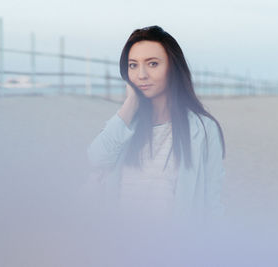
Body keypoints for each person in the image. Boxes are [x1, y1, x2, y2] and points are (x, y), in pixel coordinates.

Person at [85, 25, 226, 226]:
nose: (141, 74)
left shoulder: (203, 128)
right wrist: (129, 105)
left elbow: (212, 203)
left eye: (152, 64)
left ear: (173, 68)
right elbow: (96, 159)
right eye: (133, 65)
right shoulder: (124, 124)